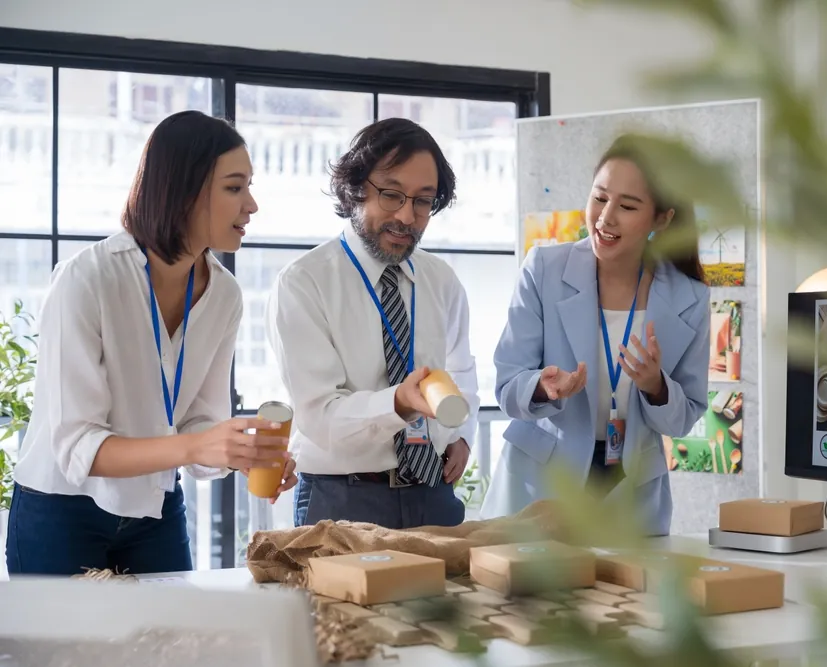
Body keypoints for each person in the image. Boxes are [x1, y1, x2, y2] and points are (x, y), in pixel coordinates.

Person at [6, 110, 298, 577]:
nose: (252, 205)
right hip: (60, 510)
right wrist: (196, 446)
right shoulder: (87, 280)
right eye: (234, 187)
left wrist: (240, 453)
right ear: (184, 190)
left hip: (155, 507)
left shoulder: (224, 295)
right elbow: (79, 447)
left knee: (172, 628)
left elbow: (200, 421)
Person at [480, 136, 711, 536]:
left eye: (627, 206)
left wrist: (656, 387)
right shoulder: (544, 270)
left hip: (631, 498)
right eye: (600, 198)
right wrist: (542, 388)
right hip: (538, 488)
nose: (605, 218)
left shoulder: (689, 297)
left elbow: (683, 418)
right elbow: (507, 386)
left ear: (661, 219)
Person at [267, 117, 479, 530]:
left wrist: (464, 435)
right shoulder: (305, 282)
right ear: (355, 189)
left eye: (423, 201)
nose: (407, 216)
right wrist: (397, 403)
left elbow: (462, 371)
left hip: (433, 489)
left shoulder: (441, 279)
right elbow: (319, 415)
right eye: (392, 195)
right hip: (343, 496)